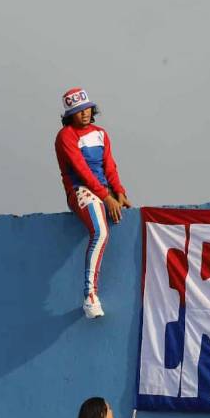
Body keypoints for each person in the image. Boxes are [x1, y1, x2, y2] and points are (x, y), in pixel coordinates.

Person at [54, 87, 133, 319]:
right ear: (70, 115)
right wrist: (106, 197)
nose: (84, 114)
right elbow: (82, 170)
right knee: (99, 232)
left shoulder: (101, 133)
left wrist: (118, 192)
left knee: (109, 227)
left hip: (104, 192)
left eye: (86, 109)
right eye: (78, 111)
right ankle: (90, 295)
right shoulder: (66, 136)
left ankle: (91, 293)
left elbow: (109, 166)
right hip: (80, 191)